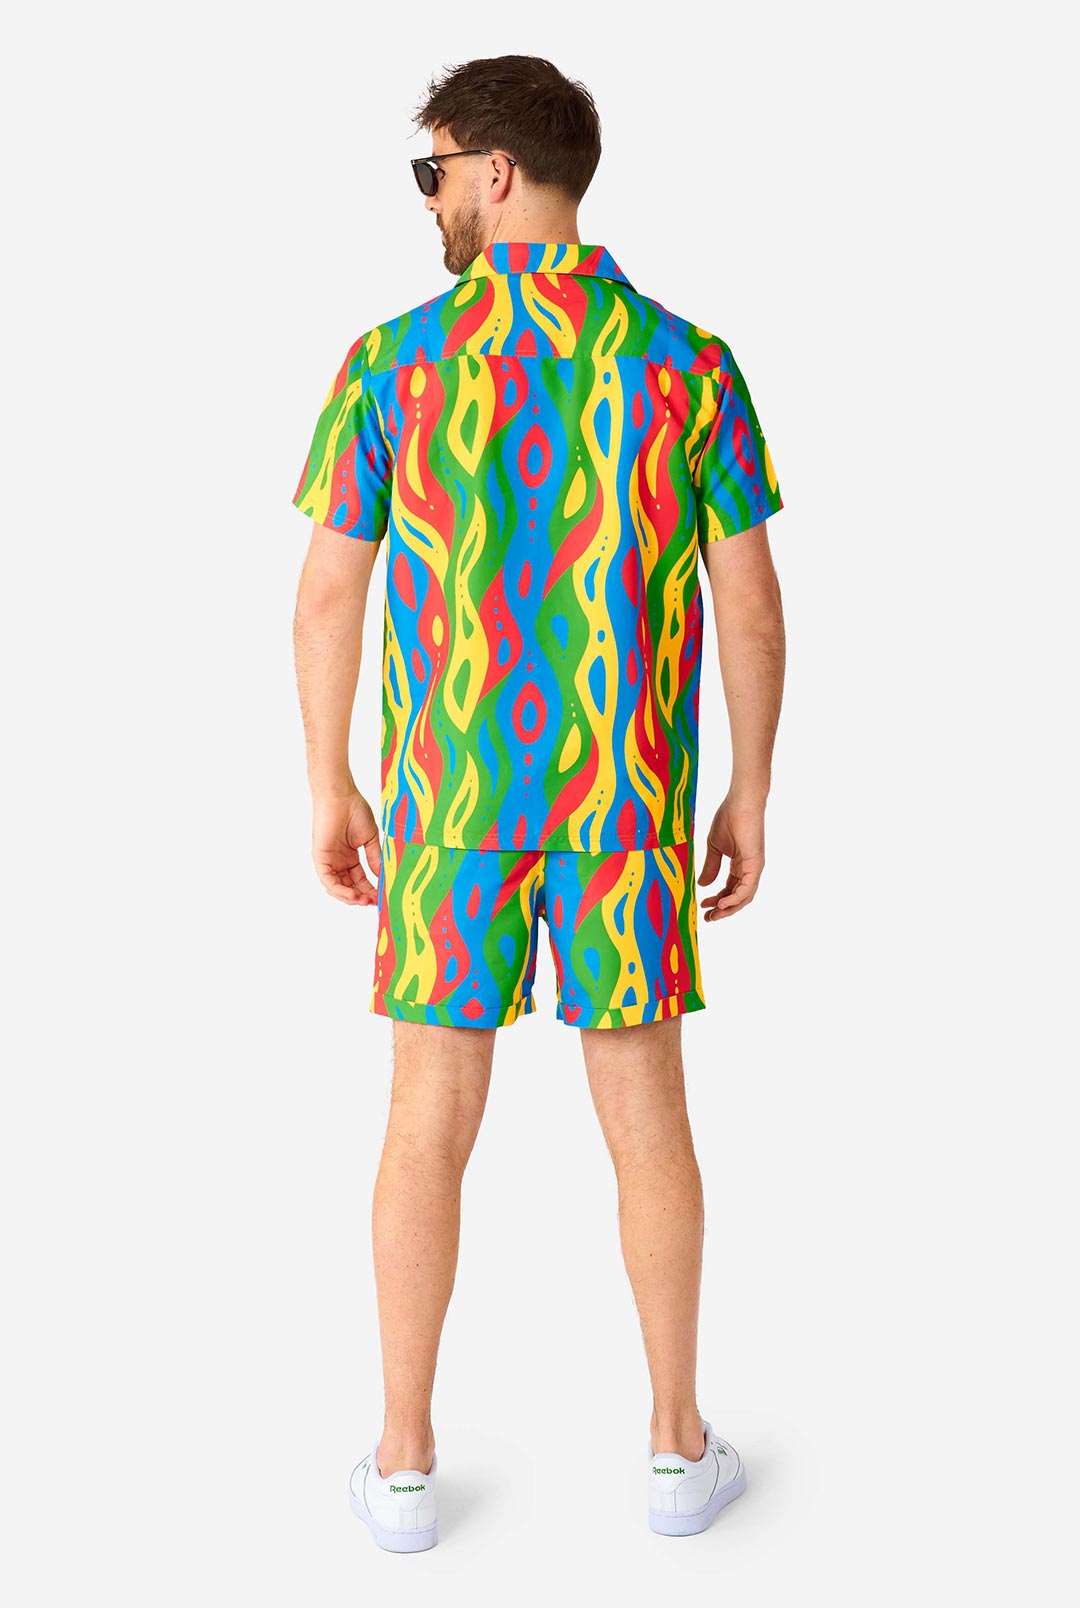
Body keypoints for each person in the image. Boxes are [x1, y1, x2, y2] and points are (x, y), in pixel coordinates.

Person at [290, 54, 786, 1552]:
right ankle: (677, 1452)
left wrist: (332, 780)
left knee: (425, 1123)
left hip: (452, 810)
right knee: (648, 1121)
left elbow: (329, 595)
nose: (429, 200)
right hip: (624, 811)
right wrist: (749, 792)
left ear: (496, 173)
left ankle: (401, 1468)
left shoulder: (392, 364)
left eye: (434, 170)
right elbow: (751, 606)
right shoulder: (687, 363)